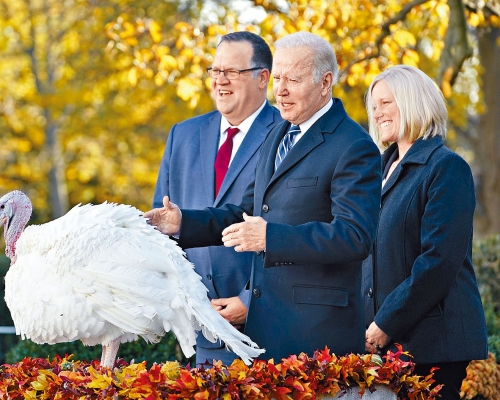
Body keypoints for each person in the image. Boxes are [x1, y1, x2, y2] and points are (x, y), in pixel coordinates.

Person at [145, 31, 382, 362]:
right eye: (279, 78)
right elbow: (243, 213)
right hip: (264, 336)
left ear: (325, 82)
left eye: (293, 80)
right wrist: (183, 221)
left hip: (317, 339)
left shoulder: (354, 146)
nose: (280, 90)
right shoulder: (278, 134)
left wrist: (270, 237)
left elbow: (355, 237)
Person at [152, 31, 282, 366]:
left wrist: (249, 300)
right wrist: (185, 302)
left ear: (262, 78)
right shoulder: (182, 135)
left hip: (273, 329)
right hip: (202, 333)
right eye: (215, 71)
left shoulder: (288, 133)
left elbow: (292, 226)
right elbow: (161, 232)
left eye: (233, 72)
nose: (220, 81)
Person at [362, 65, 488, 399]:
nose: (378, 113)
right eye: (374, 106)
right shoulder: (378, 172)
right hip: (387, 343)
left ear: (413, 102)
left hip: (432, 345)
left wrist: (386, 322)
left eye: (387, 103)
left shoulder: (446, 167)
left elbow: (439, 260)